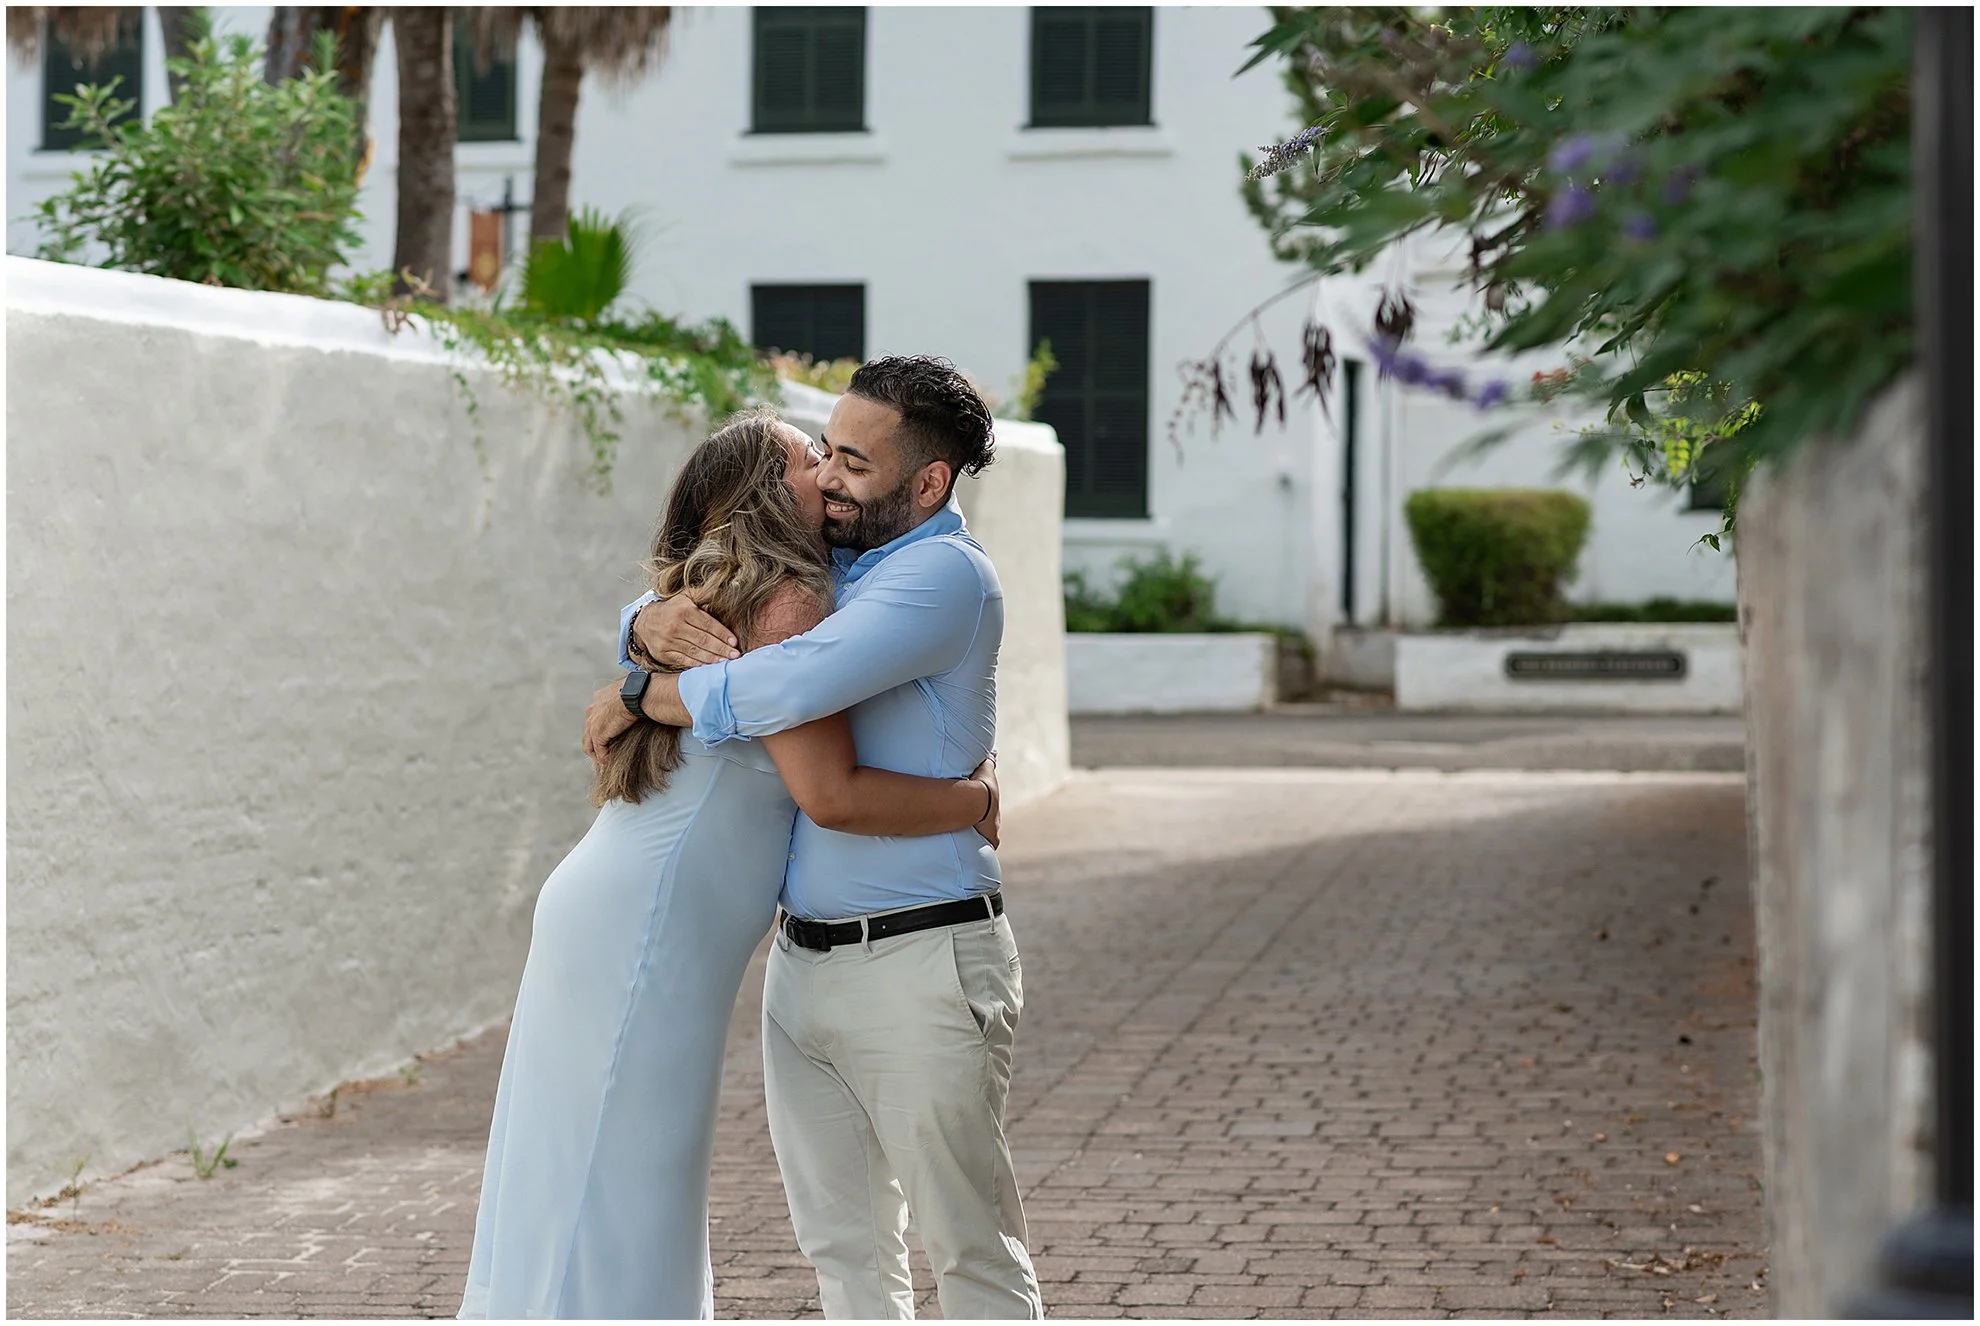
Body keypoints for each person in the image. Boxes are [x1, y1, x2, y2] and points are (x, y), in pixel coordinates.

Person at [460, 408, 1003, 1321]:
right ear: (762, 493)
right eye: (808, 459)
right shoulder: (791, 600)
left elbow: (666, 625)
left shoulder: (734, 593)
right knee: (621, 1162)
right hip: (647, 921)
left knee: (592, 1160)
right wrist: (978, 802)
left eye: (838, 455)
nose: (828, 472)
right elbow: (826, 791)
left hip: (624, 906)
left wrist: (637, 664)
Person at [586, 356, 1045, 1319]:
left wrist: (643, 692)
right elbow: (719, 571)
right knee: (844, 1255)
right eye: (826, 452)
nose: (829, 478)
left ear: (929, 482)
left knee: (969, 1251)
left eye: (854, 463)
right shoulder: (842, 555)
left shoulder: (940, 580)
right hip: (803, 966)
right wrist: (644, 624)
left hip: (925, 957)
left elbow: (789, 684)